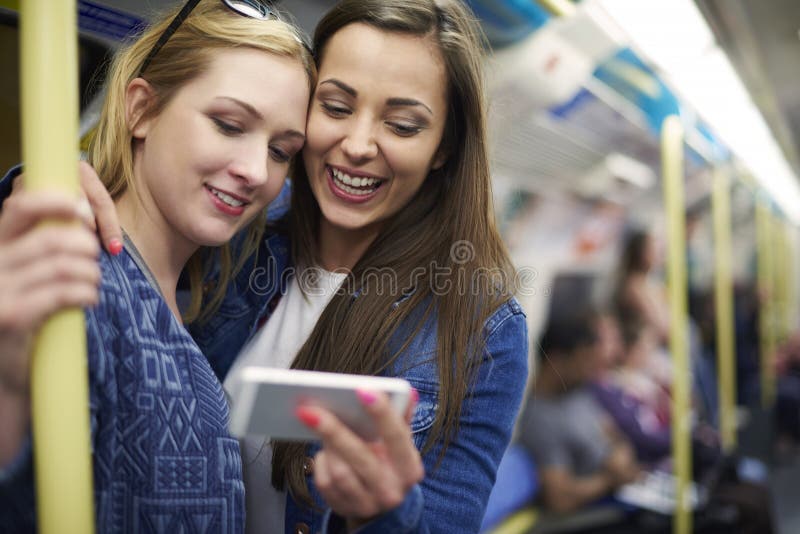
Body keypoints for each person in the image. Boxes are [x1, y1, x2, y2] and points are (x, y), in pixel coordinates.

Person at [3, 1, 529, 531]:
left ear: (443, 148)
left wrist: (385, 513)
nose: (357, 145)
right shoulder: (245, 229)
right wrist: (46, 186)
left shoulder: (481, 331)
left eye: (402, 124)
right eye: (336, 107)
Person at [0, 1, 315, 531]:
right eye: (228, 124)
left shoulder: (212, 291)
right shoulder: (77, 278)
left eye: (282, 151)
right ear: (140, 109)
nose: (257, 171)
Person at [518, 309, 641, 514]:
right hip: (596, 512)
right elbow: (560, 499)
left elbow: (615, 435)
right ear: (556, 361)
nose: (590, 370)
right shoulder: (540, 419)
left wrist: (620, 458)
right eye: (583, 361)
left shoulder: (578, 393)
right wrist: (610, 480)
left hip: (621, 493)